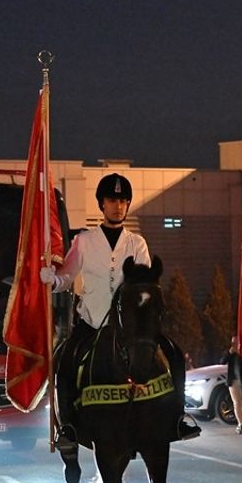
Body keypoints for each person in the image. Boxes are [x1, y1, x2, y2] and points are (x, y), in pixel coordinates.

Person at [42, 172, 199, 452]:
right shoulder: (84, 241)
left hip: (131, 328)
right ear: (101, 204)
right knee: (64, 362)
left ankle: (178, 417)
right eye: (112, 200)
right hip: (92, 324)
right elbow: (67, 276)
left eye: (123, 201)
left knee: (173, 353)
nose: (118, 206)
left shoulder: (136, 243)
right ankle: (66, 425)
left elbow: (146, 281)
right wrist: (52, 279)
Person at [222, 336, 242, 434]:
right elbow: (222, 361)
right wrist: (230, 352)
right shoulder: (230, 353)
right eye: (233, 342)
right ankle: (240, 424)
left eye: (236, 342)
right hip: (233, 380)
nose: (234, 344)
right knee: (237, 403)